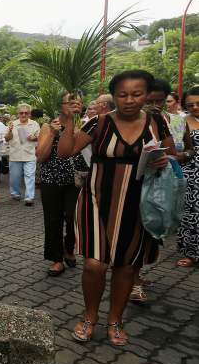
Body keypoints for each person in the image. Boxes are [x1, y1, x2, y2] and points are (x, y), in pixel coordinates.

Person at [58, 70, 174, 346]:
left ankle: (115, 320)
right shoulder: (98, 123)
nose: (130, 100)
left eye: (137, 94)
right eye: (123, 95)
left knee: (125, 265)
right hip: (96, 200)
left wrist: (164, 159)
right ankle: (90, 316)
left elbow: (174, 152)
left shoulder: (157, 121)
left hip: (138, 205)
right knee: (94, 264)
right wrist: (67, 120)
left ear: (146, 95)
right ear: (114, 96)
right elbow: (65, 152)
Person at [35, 97, 79, 277]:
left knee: (72, 217)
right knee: (53, 219)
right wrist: (53, 134)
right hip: (51, 180)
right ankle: (56, 259)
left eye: (77, 102)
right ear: (60, 106)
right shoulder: (48, 126)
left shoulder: (84, 126)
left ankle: (69, 248)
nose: (73, 105)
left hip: (75, 181)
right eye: (69, 102)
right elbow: (40, 156)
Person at [177, 86, 199, 268]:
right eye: (190, 104)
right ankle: (191, 253)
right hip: (190, 173)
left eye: (198, 103)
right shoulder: (182, 122)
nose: (194, 107)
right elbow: (180, 148)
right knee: (190, 213)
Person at [5, 103, 39, 205]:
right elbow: (7, 138)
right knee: (15, 177)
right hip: (15, 155)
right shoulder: (12, 124)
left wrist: (34, 138)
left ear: (29, 114)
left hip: (30, 154)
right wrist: (10, 131)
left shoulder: (34, 124)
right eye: (21, 113)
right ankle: (15, 193)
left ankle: (29, 197)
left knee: (30, 176)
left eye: (26, 113)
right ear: (18, 114)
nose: (23, 115)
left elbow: (40, 137)